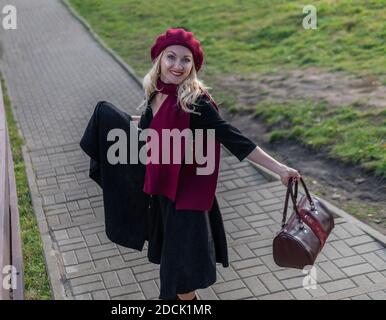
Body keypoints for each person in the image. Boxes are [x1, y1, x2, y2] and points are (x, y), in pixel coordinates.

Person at [80, 27, 301, 301]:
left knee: (178, 284)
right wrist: (120, 123)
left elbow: (233, 137)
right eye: (171, 57)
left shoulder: (194, 103)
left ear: (193, 66)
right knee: (179, 284)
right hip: (163, 198)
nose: (178, 65)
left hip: (187, 205)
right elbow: (150, 128)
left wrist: (280, 169)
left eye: (186, 60)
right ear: (159, 59)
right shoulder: (156, 93)